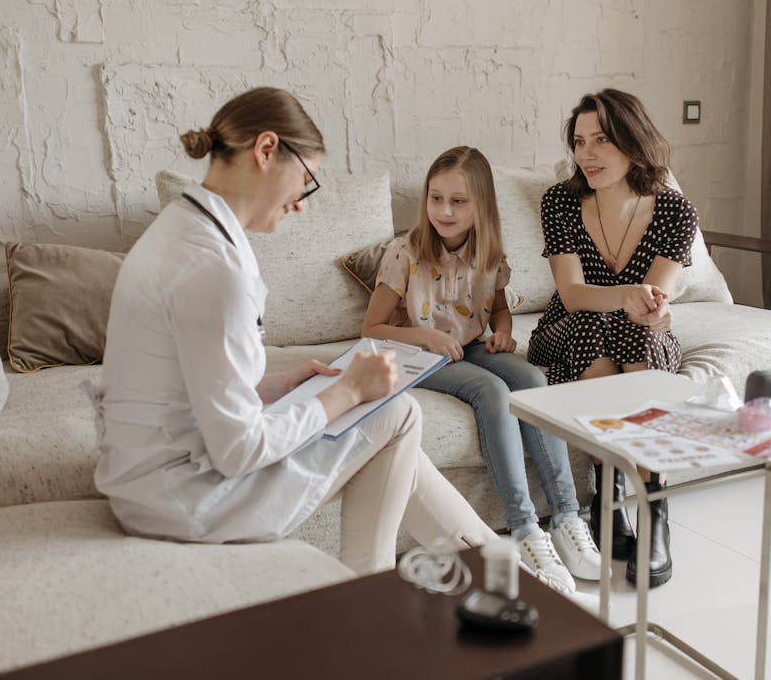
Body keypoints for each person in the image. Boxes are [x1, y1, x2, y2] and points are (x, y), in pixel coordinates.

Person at [92, 87, 496, 576]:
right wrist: (345, 391)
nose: (302, 204)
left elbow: (182, 387)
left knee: (387, 424)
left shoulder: (180, 226)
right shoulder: (215, 270)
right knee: (398, 413)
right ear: (266, 151)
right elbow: (240, 450)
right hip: (187, 498)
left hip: (150, 479)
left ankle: (495, 563)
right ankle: (380, 590)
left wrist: (276, 387)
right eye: (306, 181)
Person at [361, 146, 602, 595]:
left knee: (531, 379)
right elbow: (371, 329)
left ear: (482, 206)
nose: (445, 211)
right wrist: (427, 336)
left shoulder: (488, 253)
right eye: (436, 199)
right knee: (492, 392)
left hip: (470, 346)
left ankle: (568, 518)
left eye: (458, 201)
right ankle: (526, 528)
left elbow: (499, 312)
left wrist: (504, 334)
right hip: (418, 355)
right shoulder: (405, 252)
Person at [527, 89, 698, 588]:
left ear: (632, 140)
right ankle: (610, 484)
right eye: (579, 142)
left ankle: (651, 508)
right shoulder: (560, 201)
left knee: (637, 339)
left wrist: (654, 312)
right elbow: (573, 294)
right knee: (593, 325)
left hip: (638, 334)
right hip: (568, 329)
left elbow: (655, 301)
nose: (587, 154)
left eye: (601, 140)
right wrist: (629, 295)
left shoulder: (674, 211)